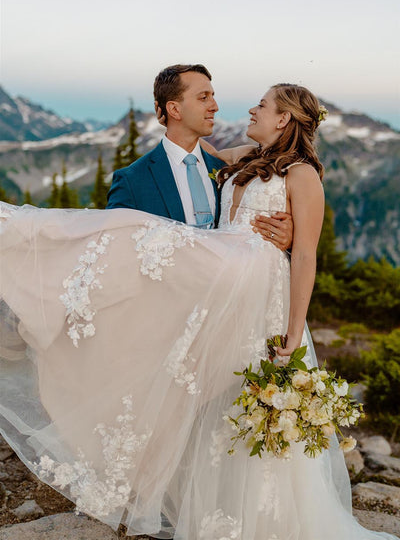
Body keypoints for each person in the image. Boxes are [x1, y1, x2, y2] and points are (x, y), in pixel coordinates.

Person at [0, 83, 395, 540]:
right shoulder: (245, 158)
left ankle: (269, 522)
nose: (250, 108)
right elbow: (194, 144)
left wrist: (291, 334)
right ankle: (28, 236)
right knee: (136, 234)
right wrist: (178, 111)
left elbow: (306, 256)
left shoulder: (303, 175)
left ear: (284, 119)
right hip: (224, 291)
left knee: (249, 395)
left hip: (262, 298)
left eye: (263, 105)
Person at [107, 64, 293, 251]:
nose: (215, 107)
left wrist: (285, 235)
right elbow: (113, 250)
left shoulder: (227, 171)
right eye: (204, 98)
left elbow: (248, 225)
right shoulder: (132, 180)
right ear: (174, 110)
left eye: (213, 97)